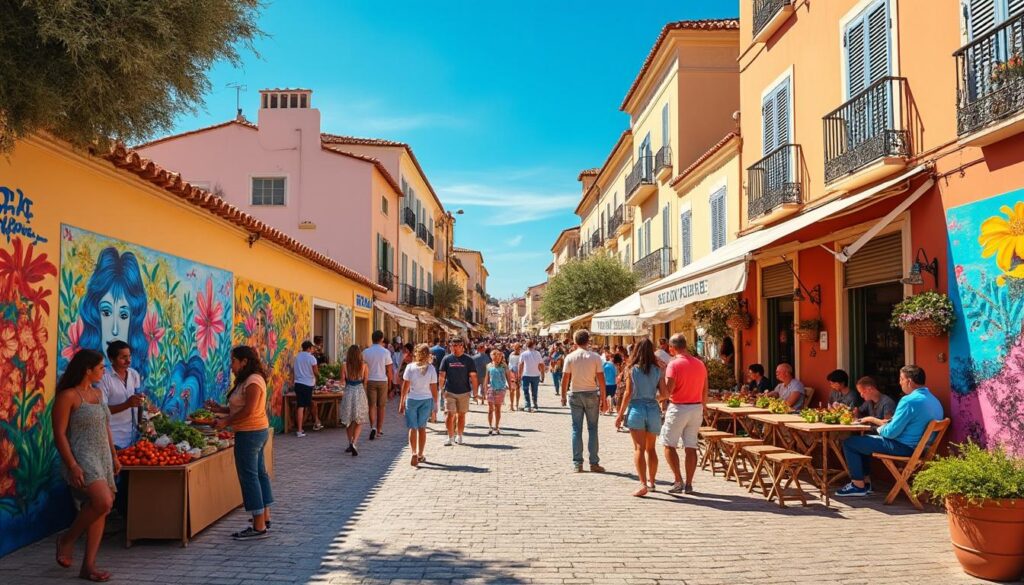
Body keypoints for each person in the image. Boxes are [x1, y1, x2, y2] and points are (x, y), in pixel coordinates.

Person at [53, 349, 119, 581]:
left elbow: (106, 427)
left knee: (102, 507)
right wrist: (72, 465)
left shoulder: (99, 393)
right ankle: (67, 539)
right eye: (101, 367)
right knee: (103, 500)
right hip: (81, 456)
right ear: (87, 370)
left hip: (102, 456)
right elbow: (59, 434)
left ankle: (88, 566)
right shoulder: (68, 396)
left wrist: (114, 455)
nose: (104, 370)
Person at [837, 365, 944, 497]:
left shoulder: (909, 401)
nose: (899, 383)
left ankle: (858, 485)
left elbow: (890, 433)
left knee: (850, 443)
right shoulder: (934, 400)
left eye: (901, 379)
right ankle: (865, 484)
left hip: (904, 447)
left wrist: (879, 427)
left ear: (909, 381)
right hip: (920, 448)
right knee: (862, 442)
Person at [206, 346, 273, 540]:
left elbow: (249, 411)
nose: (231, 366)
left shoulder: (253, 381)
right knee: (259, 474)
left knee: (250, 477)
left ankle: (258, 525)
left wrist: (225, 422)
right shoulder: (250, 380)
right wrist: (220, 409)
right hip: (255, 432)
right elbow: (239, 408)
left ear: (244, 361)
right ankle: (264, 517)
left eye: (233, 361)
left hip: (250, 433)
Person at [615, 339, 665, 497]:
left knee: (639, 449)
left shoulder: (632, 369)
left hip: (637, 408)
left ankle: (642, 484)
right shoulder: (657, 370)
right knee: (651, 449)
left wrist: (620, 414)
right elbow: (665, 394)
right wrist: (654, 399)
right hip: (653, 410)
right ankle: (652, 482)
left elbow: (628, 393)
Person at [659, 334, 708, 495]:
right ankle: (689, 483)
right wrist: (704, 406)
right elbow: (705, 389)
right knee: (691, 446)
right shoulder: (700, 364)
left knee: (669, 444)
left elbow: (668, 391)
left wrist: (657, 394)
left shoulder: (674, 365)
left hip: (678, 408)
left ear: (672, 348)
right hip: (696, 407)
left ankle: (678, 480)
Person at [560, 329, 607, 473]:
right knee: (593, 429)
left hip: (575, 394)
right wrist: (604, 399)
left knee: (576, 429)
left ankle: (577, 463)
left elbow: (565, 379)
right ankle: (594, 463)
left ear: (575, 341)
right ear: (588, 341)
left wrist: (562, 396)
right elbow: (601, 380)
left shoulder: (570, 357)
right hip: (592, 393)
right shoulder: (595, 357)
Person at [97, 341, 144, 450]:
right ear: (111, 359)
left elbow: (138, 401)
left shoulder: (133, 374)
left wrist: (142, 402)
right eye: (123, 357)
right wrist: (127, 404)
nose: (128, 360)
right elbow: (101, 411)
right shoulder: (104, 379)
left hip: (133, 436)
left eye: (129, 356)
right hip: (113, 438)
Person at [399, 344, 439, 467]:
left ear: (416, 353)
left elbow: (405, 387)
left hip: (411, 400)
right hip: (426, 400)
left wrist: (401, 402)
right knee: (422, 428)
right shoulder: (431, 369)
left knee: (412, 428)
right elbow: (433, 389)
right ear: (428, 355)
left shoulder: (410, 367)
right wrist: (436, 404)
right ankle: (421, 454)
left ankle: (413, 452)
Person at [438, 338, 478, 446]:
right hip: (450, 391)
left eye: (456, 345)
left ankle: (459, 435)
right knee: (449, 414)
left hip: (464, 392)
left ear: (462, 346)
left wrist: (475, 392)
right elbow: (442, 375)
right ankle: (450, 437)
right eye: (452, 345)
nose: (453, 347)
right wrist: (440, 389)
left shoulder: (468, 360)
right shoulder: (447, 359)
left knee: (461, 415)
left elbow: (473, 377)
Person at [338, 344, 369, 456]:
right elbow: (365, 381)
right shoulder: (364, 365)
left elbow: (342, 381)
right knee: (359, 419)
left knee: (348, 419)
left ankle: (350, 442)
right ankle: (354, 442)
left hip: (348, 392)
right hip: (359, 391)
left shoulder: (345, 365)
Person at [362, 330, 393, 441]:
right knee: (381, 406)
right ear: (382, 339)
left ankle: (372, 427)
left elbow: (362, 368)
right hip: (382, 381)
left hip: (370, 380)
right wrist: (390, 384)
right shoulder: (385, 352)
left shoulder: (366, 352)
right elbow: (389, 370)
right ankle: (379, 429)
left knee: (371, 405)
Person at [292, 340, 322, 437]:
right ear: (309, 348)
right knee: (308, 405)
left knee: (301, 406)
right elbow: (316, 372)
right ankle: (315, 423)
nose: (313, 349)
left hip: (298, 383)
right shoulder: (311, 358)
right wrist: (320, 377)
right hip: (308, 384)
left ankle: (300, 429)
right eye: (312, 348)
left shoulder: (297, 357)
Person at [483, 350, 510, 435]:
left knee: (498, 409)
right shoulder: (489, 366)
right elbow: (486, 378)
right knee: (490, 409)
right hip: (491, 389)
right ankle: (490, 426)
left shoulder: (504, 366)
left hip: (501, 390)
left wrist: (510, 386)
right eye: (495, 357)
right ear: (492, 357)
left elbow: (508, 376)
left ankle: (497, 426)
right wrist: (484, 390)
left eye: (499, 357)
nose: (498, 359)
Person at [519, 340, 545, 412]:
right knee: (534, 391)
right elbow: (541, 364)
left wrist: (519, 375)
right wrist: (543, 375)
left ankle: (527, 405)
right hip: (536, 375)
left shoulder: (523, 354)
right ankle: (535, 405)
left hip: (526, 375)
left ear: (526, 346)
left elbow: (520, 365)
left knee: (526, 390)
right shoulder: (538, 353)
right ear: (534, 345)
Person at [602, 350, 619, 415]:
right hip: (612, 383)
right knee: (612, 396)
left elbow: (602, 373)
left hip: (606, 383)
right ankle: (610, 409)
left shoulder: (605, 364)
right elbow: (616, 375)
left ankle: (606, 409)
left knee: (606, 396)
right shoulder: (615, 366)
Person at [508, 344, 523, 411]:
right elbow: (510, 363)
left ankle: (516, 404)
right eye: (515, 348)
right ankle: (511, 405)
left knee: (518, 389)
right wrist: (511, 369)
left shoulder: (521, 355)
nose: (517, 349)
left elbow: (522, 364)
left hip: (519, 373)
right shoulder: (511, 354)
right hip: (512, 373)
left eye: (518, 348)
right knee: (512, 390)